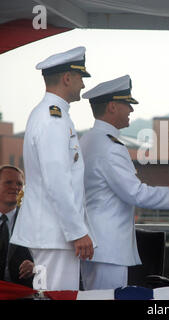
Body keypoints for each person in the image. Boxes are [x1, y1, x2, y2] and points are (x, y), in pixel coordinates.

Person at [79, 75, 169, 290]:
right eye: (127, 104)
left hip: (94, 242)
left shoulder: (87, 140)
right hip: (109, 248)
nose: (131, 110)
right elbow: (134, 193)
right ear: (112, 107)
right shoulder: (110, 146)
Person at [10, 47, 95, 291]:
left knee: (49, 295)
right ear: (67, 78)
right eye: (80, 78)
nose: (81, 84)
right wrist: (77, 231)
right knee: (56, 295)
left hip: (53, 232)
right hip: (55, 234)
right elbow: (57, 180)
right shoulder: (52, 118)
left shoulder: (54, 115)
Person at [0, 165, 34, 287]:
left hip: (22, 291)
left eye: (19, 184)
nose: (15, 187)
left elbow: (47, 259)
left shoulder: (32, 220)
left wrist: (34, 267)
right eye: (8, 182)